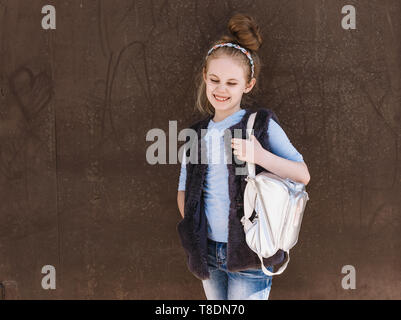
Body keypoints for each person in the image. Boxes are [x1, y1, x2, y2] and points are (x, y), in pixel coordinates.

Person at [176, 13, 310, 300]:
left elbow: (302, 174)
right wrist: (195, 229)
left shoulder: (259, 124)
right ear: (204, 77)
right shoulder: (196, 134)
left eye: (232, 83)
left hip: (250, 250)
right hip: (207, 253)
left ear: (247, 85)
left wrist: (259, 155)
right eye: (215, 80)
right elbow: (184, 190)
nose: (221, 89)